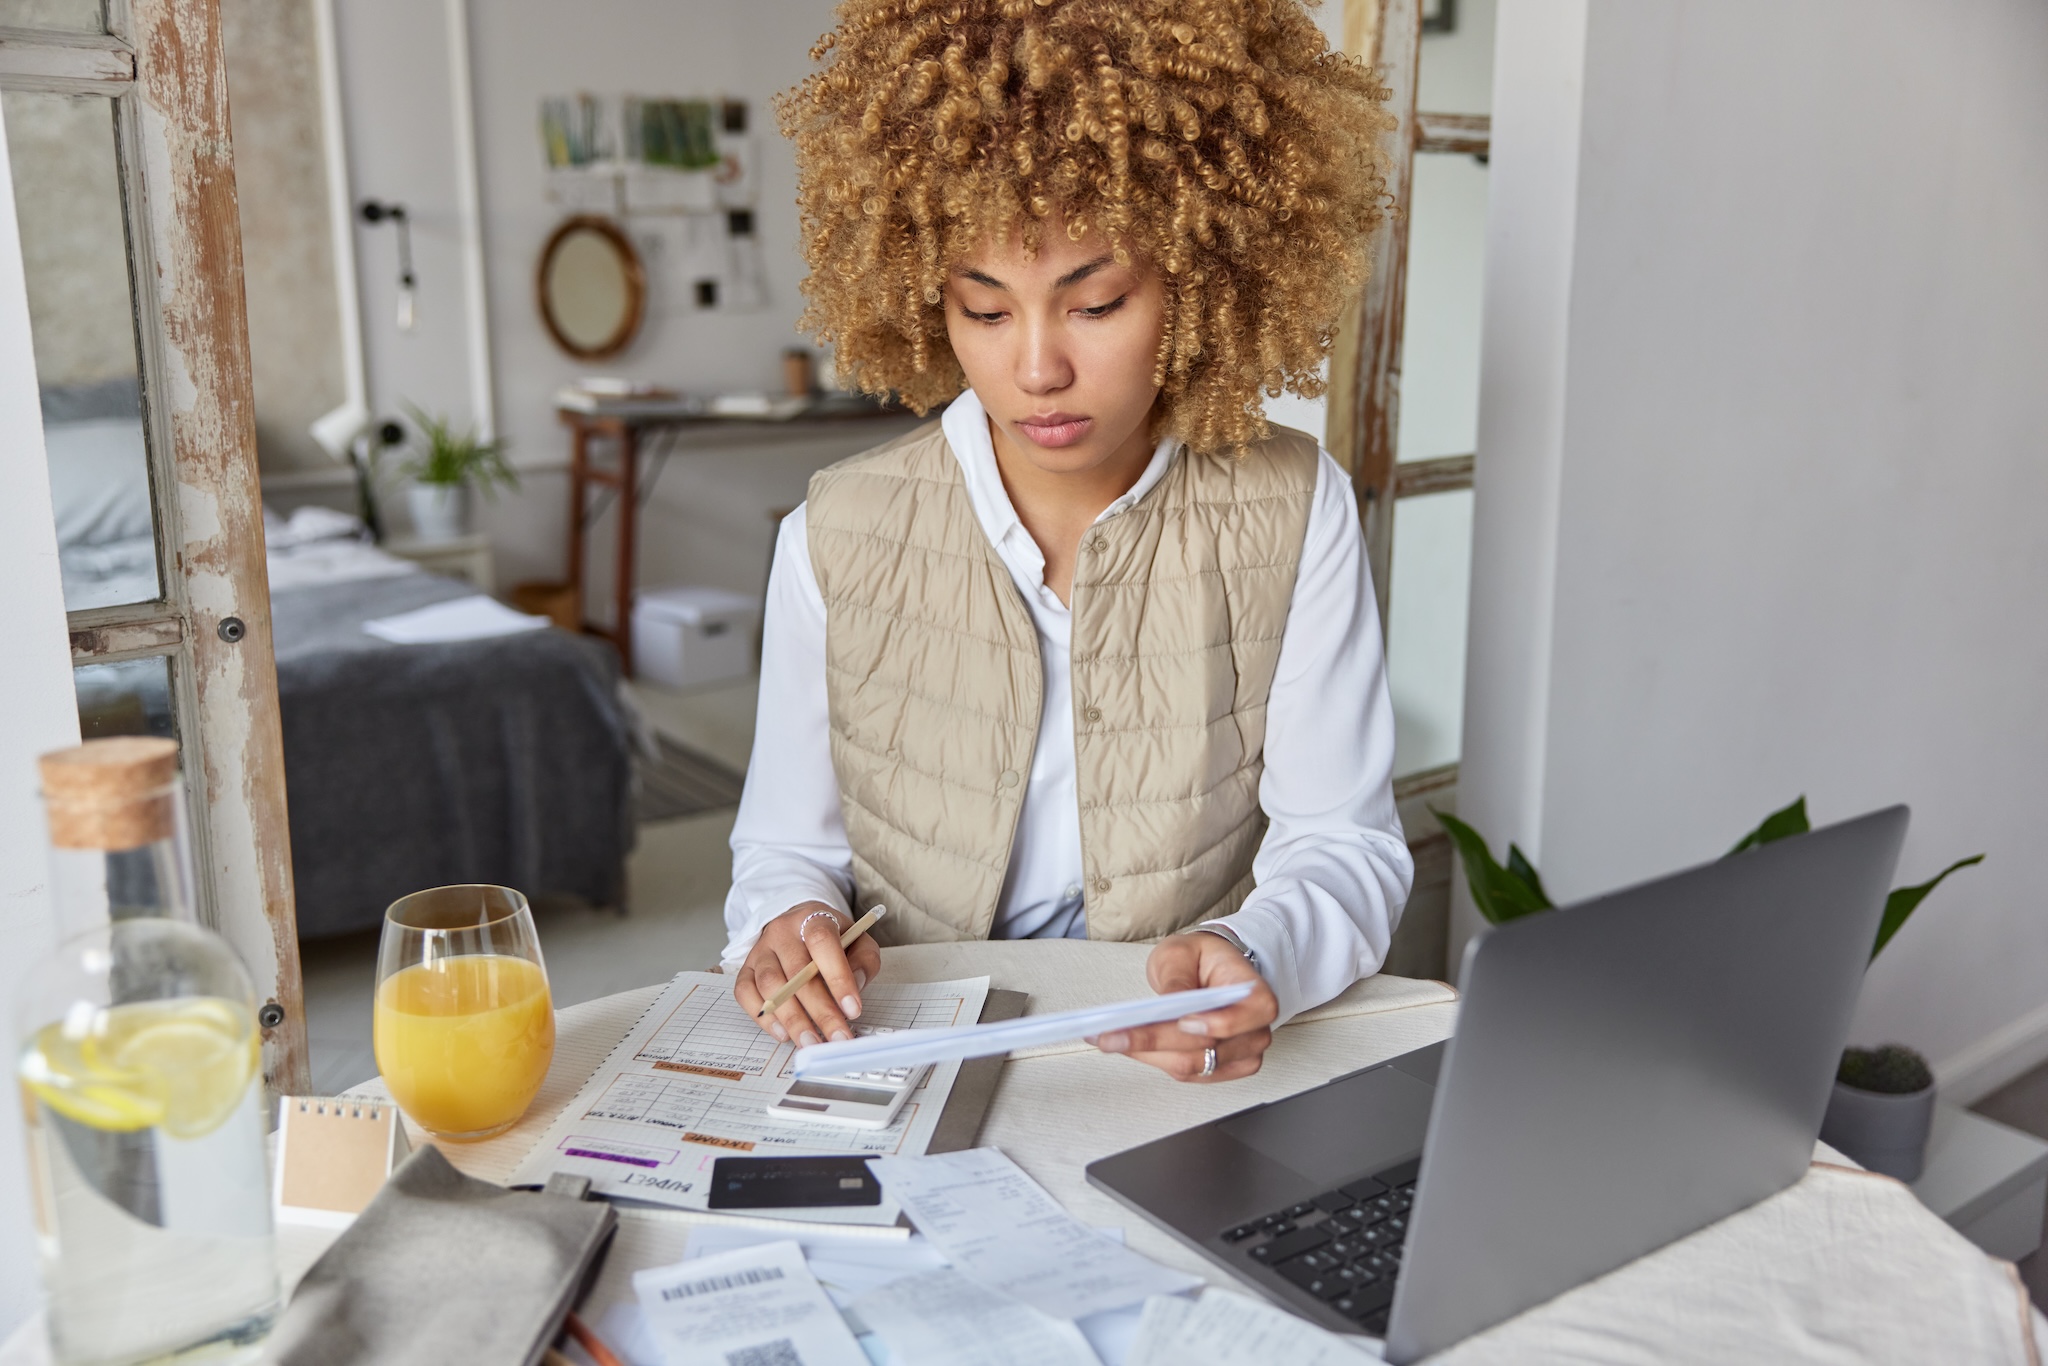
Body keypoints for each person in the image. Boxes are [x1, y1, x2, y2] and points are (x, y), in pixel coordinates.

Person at [722, 0, 1411, 1083]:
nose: (1034, 369)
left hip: (1169, 1053)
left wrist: (1246, 953)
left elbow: (1344, 841)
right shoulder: (836, 533)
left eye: (1093, 303)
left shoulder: (1293, 502)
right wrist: (784, 921)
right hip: (910, 1049)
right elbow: (785, 849)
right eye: (983, 311)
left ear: (1198, 279)